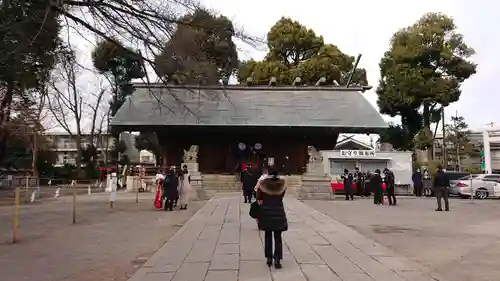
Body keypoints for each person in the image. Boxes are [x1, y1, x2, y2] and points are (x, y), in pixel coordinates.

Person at [256, 170, 288, 269]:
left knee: (268, 236)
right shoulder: (282, 185)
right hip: (278, 212)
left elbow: (258, 197)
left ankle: (269, 258)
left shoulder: (263, 185)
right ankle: (277, 259)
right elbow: (282, 196)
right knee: (278, 238)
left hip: (266, 213)